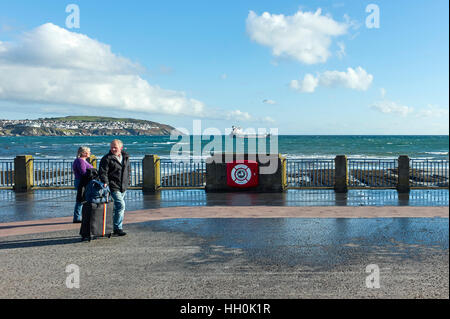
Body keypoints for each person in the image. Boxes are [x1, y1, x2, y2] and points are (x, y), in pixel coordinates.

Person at [98, 139, 130, 236]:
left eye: (115, 147)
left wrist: (128, 181)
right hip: (113, 186)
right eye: (112, 147)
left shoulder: (125, 157)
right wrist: (106, 183)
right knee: (121, 205)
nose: (113, 149)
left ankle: (110, 227)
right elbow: (103, 172)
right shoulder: (106, 158)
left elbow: (128, 170)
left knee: (116, 208)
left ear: (121, 148)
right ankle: (118, 228)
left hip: (123, 186)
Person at [72, 146, 93, 223]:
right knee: (81, 199)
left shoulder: (83, 160)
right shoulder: (80, 161)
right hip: (81, 182)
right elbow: (83, 172)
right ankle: (77, 217)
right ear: (83, 153)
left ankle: (80, 216)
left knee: (83, 199)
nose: (90, 153)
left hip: (83, 181)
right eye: (88, 151)